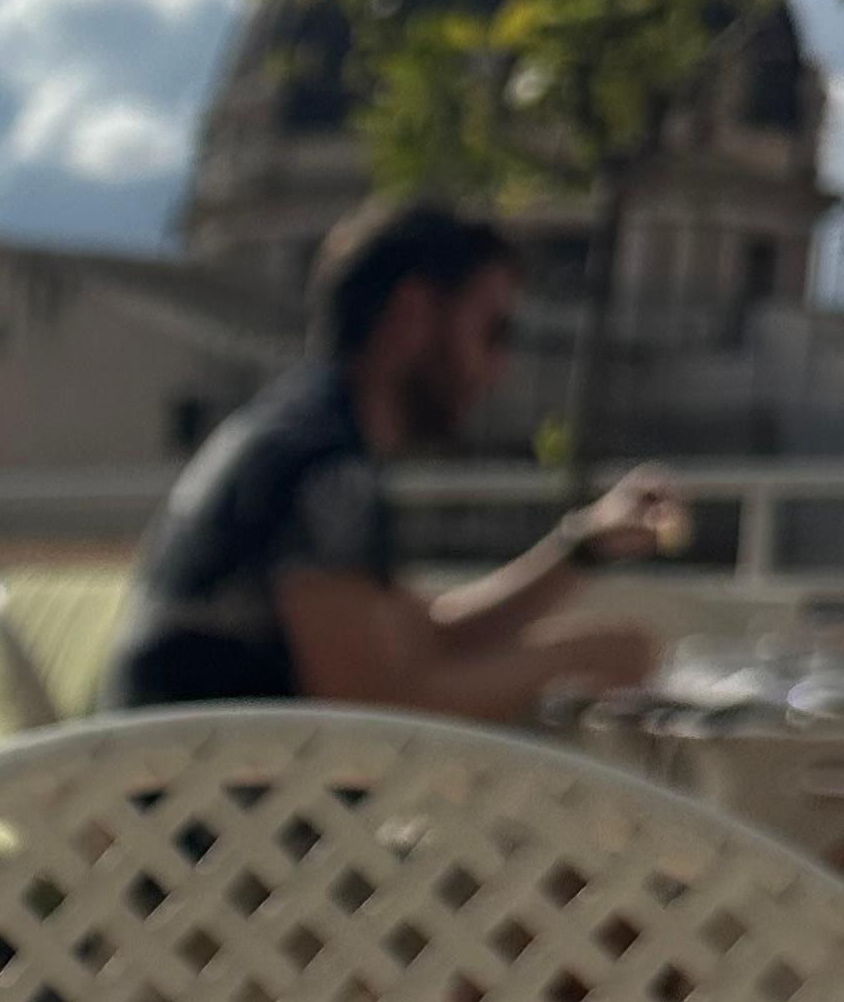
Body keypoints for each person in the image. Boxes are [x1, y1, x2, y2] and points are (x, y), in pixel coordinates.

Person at [104, 201, 676, 719]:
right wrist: (583, 660)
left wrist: (583, 546)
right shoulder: (325, 468)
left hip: (181, 784)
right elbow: (375, 709)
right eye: (493, 332)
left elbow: (427, 638)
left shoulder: (295, 430)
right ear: (412, 314)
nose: (499, 370)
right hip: (210, 799)